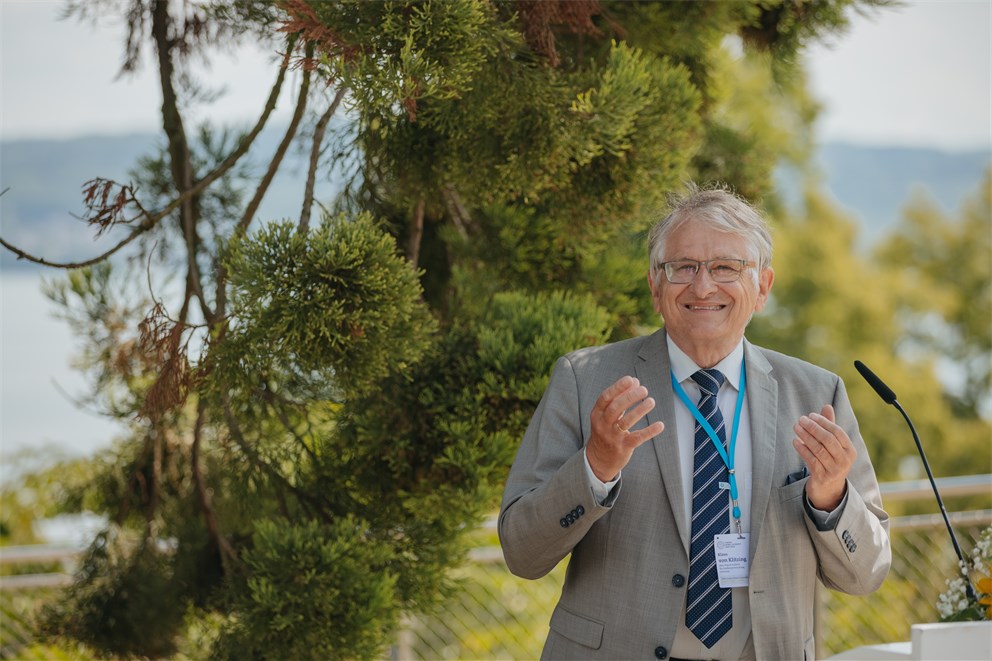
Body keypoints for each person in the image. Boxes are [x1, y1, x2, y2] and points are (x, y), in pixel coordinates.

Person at [498, 183, 891, 661]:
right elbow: (522, 553)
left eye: (726, 268)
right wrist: (595, 468)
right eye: (683, 267)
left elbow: (866, 573)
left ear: (762, 287)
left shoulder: (816, 394)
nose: (703, 287)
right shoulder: (585, 382)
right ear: (655, 286)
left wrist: (830, 499)